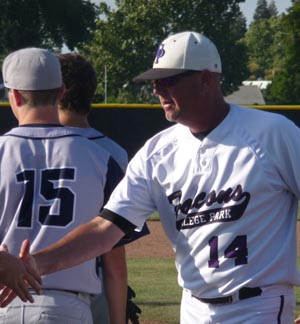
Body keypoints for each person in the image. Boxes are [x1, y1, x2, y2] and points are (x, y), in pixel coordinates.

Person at [2, 31, 300, 323]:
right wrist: (36, 264)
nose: (157, 90)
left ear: (206, 78)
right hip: (194, 308)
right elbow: (105, 229)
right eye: (154, 82)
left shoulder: (272, 133)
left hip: (259, 305)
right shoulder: (157, 152)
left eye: (168, 80)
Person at [0, 47, 123, 323]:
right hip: (67, 307)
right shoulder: (101, 158)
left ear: (15, 95)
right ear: (61, 93)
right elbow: (115, 262)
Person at [57, 52, 146, 324]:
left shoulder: (22, 148)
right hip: (91, 284)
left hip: (24, 282)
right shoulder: (112, 153)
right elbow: (113, 250)